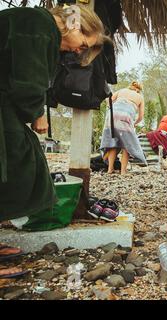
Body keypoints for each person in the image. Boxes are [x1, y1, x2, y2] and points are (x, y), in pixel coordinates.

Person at [0, 4, 108, 278]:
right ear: (75, 25)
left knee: (18, 157)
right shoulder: (38, 25)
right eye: (84, 43)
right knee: (15, 158)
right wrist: (37, 113)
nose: (79, 50)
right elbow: (27, 79)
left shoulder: (43, 29)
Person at [100, 81, 147, 174]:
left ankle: (110, 169)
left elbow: (108, 100)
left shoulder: (122, 90)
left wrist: (111, 108)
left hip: (112, 116)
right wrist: (135, 123)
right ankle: (123, 171)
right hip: (126, 117)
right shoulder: (140, 97)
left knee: (113, 143)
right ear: (139, 90)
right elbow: (141, 115)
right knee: (127, 144)